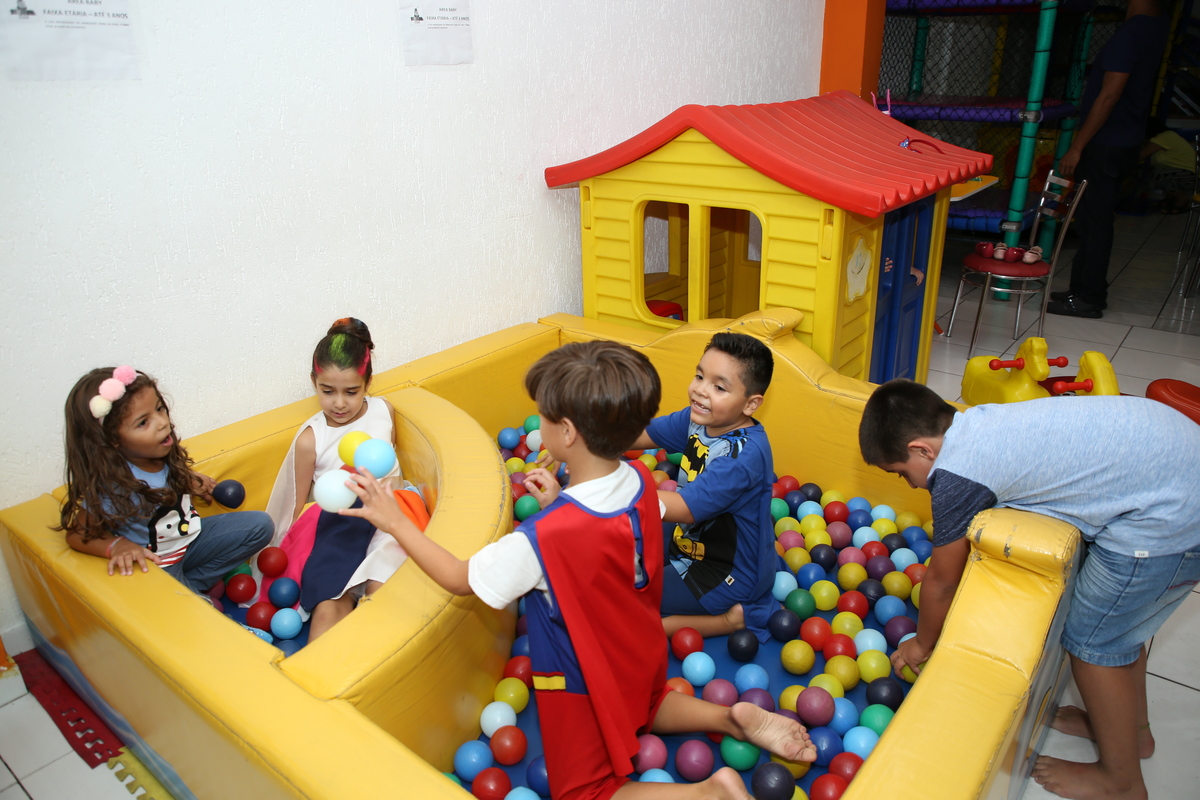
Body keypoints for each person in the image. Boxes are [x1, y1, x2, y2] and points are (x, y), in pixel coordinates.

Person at [342, 341, 815, 800]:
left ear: (567, 433)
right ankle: (730, 718)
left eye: (545, 416)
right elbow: (606, 531)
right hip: (640, 646)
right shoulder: (639, 482)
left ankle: (707, 794)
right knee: (646, 701)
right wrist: (562, 501)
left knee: (583, 792)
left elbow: (458, 578)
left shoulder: (541, 540)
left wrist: (395, 521)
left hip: (589, 671)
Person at [858, 379, 1200, 800]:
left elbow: (942, 581)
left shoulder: (955, 475)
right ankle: (1134, 733)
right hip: (1179, 462)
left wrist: (922, 644)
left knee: (1093, 644)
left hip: (1172, 514)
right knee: (1118, 628)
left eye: (901, 473)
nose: (910, 485)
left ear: (923, 450)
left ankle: (1121, 781)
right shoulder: (977, 423)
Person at [59, 366, 273, 593]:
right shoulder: (116, 485)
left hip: (192, 541)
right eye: (143, 422)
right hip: (160, 565)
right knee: (192, 611)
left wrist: (188, 479)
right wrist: (117, 545)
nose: (162, 422)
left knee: (261, 526)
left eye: (159, 408)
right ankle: (190, 596)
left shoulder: (161, 452)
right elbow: (77, 534)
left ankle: (193, 585)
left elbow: (162, 480)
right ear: (113, 440)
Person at [263, 318, 412, 641]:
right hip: (340, 525)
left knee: (385, 590)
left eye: (351, 392)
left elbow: (394, 473)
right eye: (327, 391)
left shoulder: (383, 411)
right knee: (329, 602)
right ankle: (321, 666)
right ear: (313, 382)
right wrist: (279, 553)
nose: (339, 403)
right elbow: (294, 504)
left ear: (368, 382)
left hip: (389, 517)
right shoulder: (311, 439)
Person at [631, 332, 780, 642]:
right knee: (621, 553)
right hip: (688, 540)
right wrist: (587, 443)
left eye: (719, 387)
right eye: (699, 376)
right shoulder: (699, 420)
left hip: (726, 571)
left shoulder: (742, 457)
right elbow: (642, 434)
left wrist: (614, 492)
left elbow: (684, 508)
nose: (700, 390)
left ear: (751, 404)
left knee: (628, 597)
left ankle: (729, 621)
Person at [1048, 0, 1169, 319]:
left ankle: (1088, 298)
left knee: (1094, 221)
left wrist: (1077, 146)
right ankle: (1081, 290)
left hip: (1105, 142)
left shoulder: (1131, 33)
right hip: (1124, 140)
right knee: (1092, 218)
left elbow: (1109, 95)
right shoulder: (1156, 28)